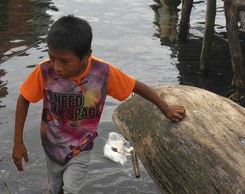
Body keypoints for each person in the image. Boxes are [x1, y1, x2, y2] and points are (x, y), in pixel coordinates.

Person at [12, 15, 186, 193]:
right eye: (52, 58)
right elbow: (24, 98)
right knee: (54, 187)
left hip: (81, 146)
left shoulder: (102, 73)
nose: (57, 67)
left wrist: (166, 108)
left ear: (86, 55)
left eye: (65, 61)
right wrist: (18, 142)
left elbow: (136, 86)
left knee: (71, 189)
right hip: (51, 144)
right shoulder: (44, 71)